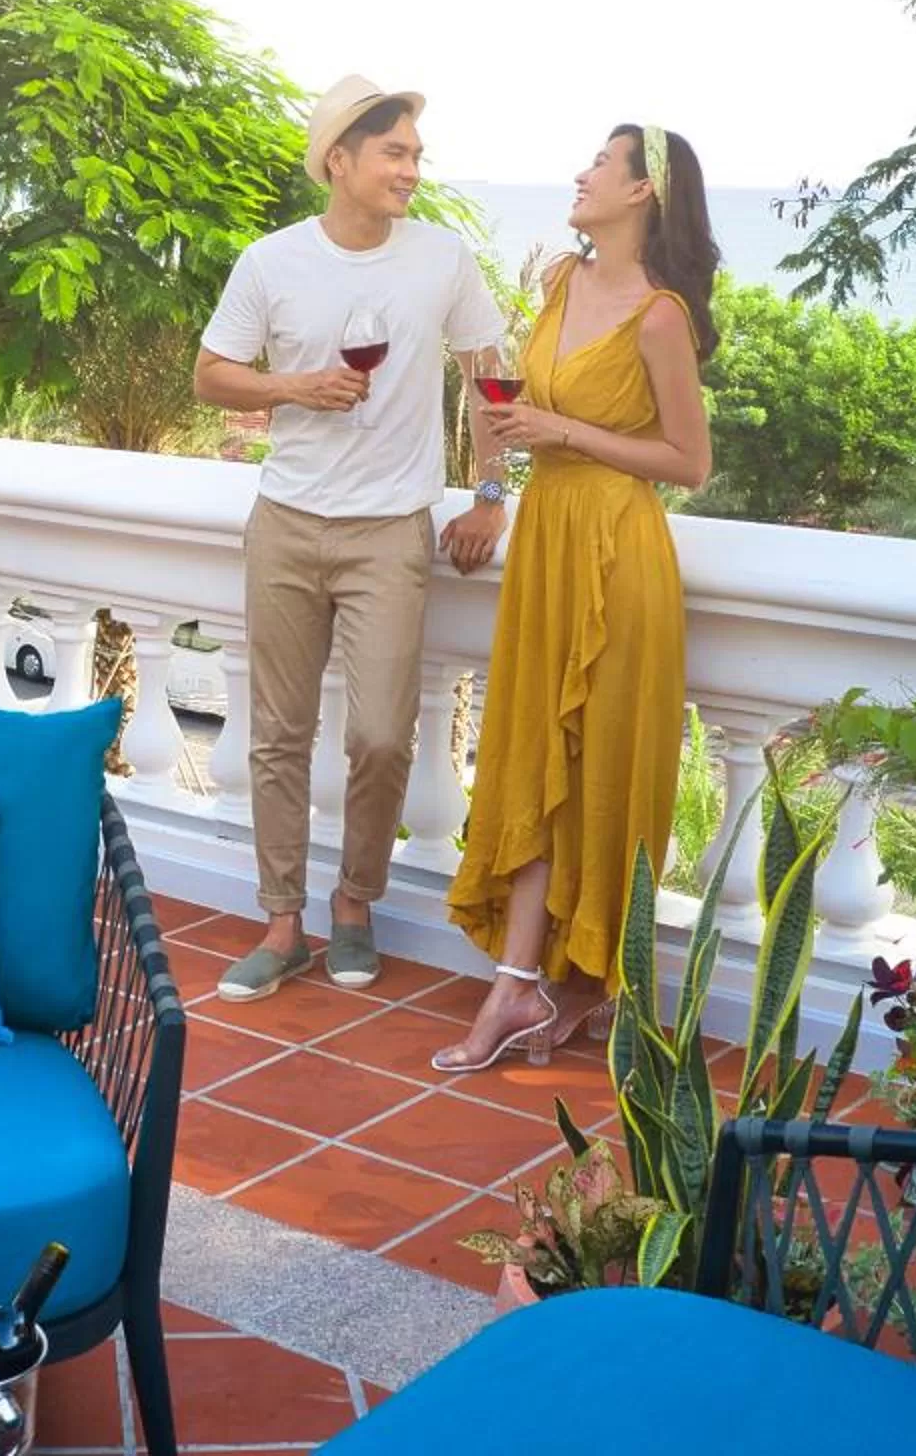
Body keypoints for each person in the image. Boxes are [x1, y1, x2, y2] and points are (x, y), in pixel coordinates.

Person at [195, 74, 512, 1000]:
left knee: (380, 735)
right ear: (341, 160)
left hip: (391, 531)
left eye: (416, 154)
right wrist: (296, 386)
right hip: (287, 523)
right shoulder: (271, 262)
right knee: (278, 734)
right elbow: (213, 376)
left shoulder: (441, 260)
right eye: (396, 154)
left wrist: (491, 491)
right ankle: (283, 920)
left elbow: (489, 375)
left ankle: (355, 903)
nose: (412, 170)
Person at [435, 123, 718, 1073]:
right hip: (547, 537)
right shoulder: (560, 280)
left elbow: (690, 463)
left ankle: (538, 987)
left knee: (595, 768)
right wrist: (499, 462)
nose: (582, 172)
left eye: (601, 161)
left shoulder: (662, 316)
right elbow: (518, 404)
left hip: (616, 548)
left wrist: (562, 426)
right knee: (531, 756)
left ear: (642, 193)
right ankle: (549, 985)